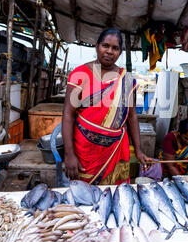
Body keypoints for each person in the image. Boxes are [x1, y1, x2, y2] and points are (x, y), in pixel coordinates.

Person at [62, 28, 154, 185]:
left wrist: (138, 150)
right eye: (105, 46)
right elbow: (68, 115)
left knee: (116, 197)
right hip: (85, 150)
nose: (110, 51)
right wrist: (69, 154)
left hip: (116, 150)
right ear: (97, 46)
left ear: (120, 52)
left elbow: (131, 116)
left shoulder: (127, 79)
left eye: (115, 48)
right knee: (83, 199)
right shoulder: (80, 74)